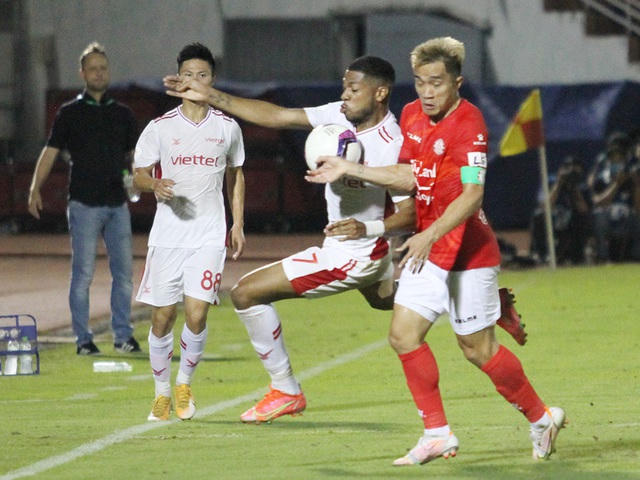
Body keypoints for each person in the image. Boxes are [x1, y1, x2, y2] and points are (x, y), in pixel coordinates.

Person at [164, 54, 525, 424]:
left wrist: (366, 229)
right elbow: (278, 116)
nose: (345, 95)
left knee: (245, 293)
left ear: (380, 93)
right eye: (344, 87)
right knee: (387, 302)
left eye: (353, 89)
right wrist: (210, 95)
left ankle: (285, 390)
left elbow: (411, 213)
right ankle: (485, 303)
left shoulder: (393, 142)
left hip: (357, 254)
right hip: (360, 249)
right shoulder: (338, 115)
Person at [307, 37, 565, 464]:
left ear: (456, 83)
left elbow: (472, 195)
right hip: (427, 246)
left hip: (468, 251)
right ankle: (437, 433)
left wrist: (428, 235)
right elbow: (409, 176)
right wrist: (351, 167)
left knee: (477, 350)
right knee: (403, 336)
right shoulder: (411, 114)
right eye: (420, 82)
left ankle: (541, 419)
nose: (427, 92)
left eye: (437, 83)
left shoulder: (470, 124)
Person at [134, 43, 246, 422]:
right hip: (168, 236)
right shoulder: (160, 127)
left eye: (202, 75)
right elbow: (137, 175)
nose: (195, 80)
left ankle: (183, 385)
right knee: (162, 318)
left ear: (211, 79)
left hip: (209, 236)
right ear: (178, 79)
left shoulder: (227, 127)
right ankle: (161, 392)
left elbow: (236, 174)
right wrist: (154, 184)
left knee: (197, 314)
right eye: (188, 74)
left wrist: (237, 223)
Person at [27, 42, 140, 355]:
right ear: (82, 73)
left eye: (103, 68)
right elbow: (50, 151)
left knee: (124, 276)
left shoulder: (123, 114)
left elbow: (134, 156)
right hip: (83, 204)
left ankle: (123, 336)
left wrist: (136, 183)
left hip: (117, 204)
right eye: (93, 69)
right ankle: (83, 340)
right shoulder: (69, 113)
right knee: (83, 276)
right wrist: (34, 187)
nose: (99, 73)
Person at [588, 132, 640, 262]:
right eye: (613, 157)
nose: (617, 161)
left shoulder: (634, 172)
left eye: (620, 157)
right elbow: (597, 202)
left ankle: (636, 257)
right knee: (599, 217)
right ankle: (602, 257)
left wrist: (636, 185)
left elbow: (638, 208)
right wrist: (616, 184)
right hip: (607, 218)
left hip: (628, 218)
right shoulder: (602, 177)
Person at [530, 155, 592, 264]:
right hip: (554, 215)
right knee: (539, 215)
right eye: (567, 168)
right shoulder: (550, 181)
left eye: (575, 169)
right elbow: (545, 206)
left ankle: (577, 256)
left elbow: (584, 209)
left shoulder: (583, 185)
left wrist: (574, 188)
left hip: (574, 218)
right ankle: (542, 254)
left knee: (582, 219)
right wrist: (558, 184)